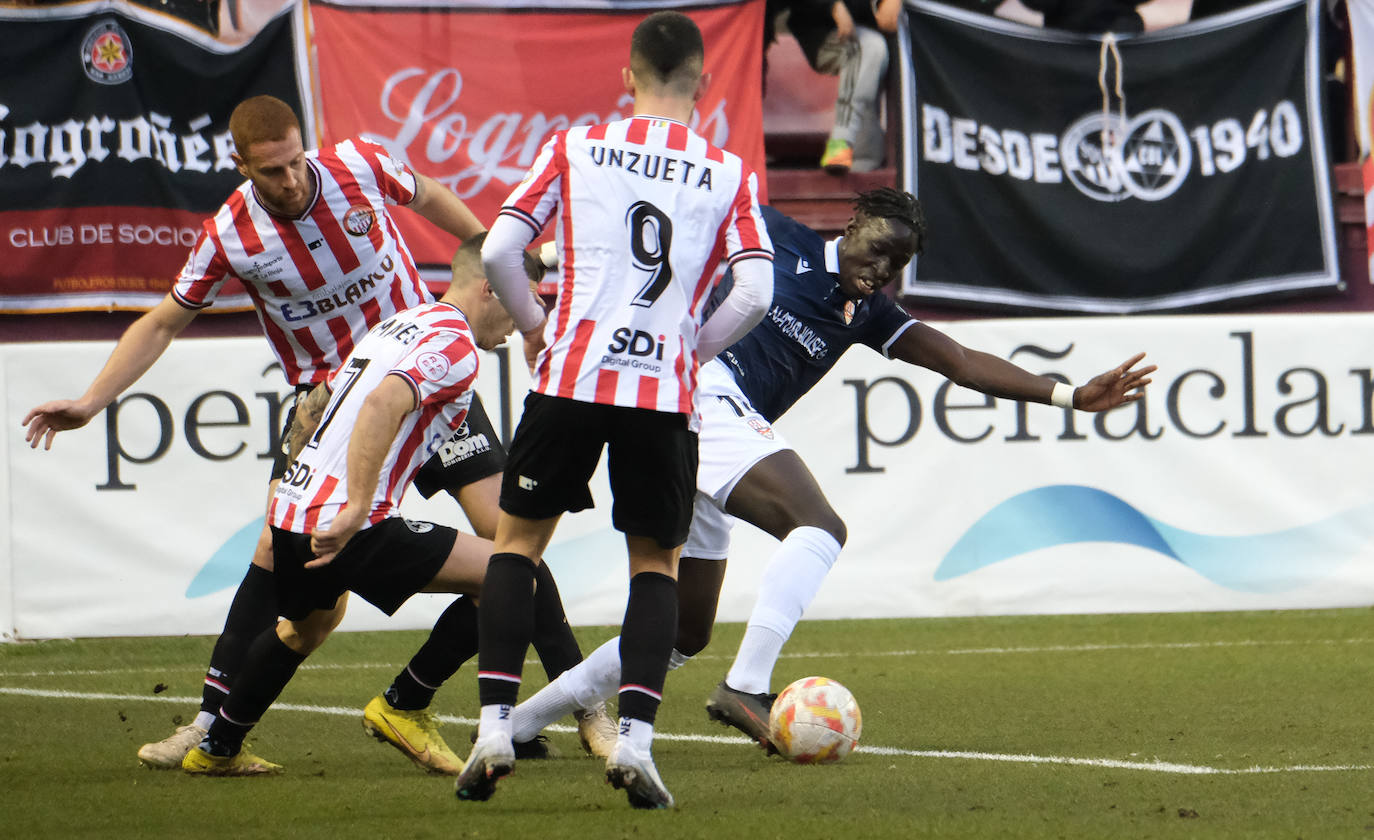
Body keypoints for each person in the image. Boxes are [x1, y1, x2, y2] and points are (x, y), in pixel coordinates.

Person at [20, 94, 610, 771]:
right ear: (240, 166)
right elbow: (160, 323)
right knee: (283, 563)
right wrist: (93, 401)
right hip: (325, 404)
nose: (292, 180)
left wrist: (503, 277)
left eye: (297, 162)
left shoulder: (359, 165)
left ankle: (590, 712)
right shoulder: (229, 236)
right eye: (272, 171)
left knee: (513, 541)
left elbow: (436, 199)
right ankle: (212, 726)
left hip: (425, 380)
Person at [499, 187, 1155, 753]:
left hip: (707, 427)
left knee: (683, 631)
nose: (882, 272)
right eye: (878, 252)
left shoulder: (868, 313)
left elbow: (958, 359)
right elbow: (665, 221)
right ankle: (747, 687)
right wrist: (551, 258)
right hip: (697, 392)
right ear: (849, 229)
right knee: (818, 526)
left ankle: (521, 725)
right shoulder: (773, 233)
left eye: (898, 265)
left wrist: (1069, 395)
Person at [454, 10, 775, 811]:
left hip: (569, 378)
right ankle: (635, 742)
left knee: (516, 547)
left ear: (626, 78)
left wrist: (534, 327)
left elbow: (498, 250)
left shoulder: (575, 148)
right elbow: (759, 290)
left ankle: (495, 726)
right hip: (659, 396)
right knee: (654, 566)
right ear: (702, 83)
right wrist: (690, 351)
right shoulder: (728, 171)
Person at [181, 232, 535, 775]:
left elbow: (334, 398)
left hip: (292, 512)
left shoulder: (402, 322)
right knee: (510, 574)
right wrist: (356, 509)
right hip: (347, 521)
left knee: (307, 627)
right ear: (490, 289)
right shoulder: (456, 346)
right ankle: (405, 705)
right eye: (523, 302)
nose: (522, 321)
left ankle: (216, 748)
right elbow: (381, 403)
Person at [770, 0, 905, 174]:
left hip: (890, 49)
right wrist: (834, 6)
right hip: (826, 30)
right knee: (869, 47)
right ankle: (841, 141)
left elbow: (886, 18)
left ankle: (860, 161)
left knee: (871, 55)